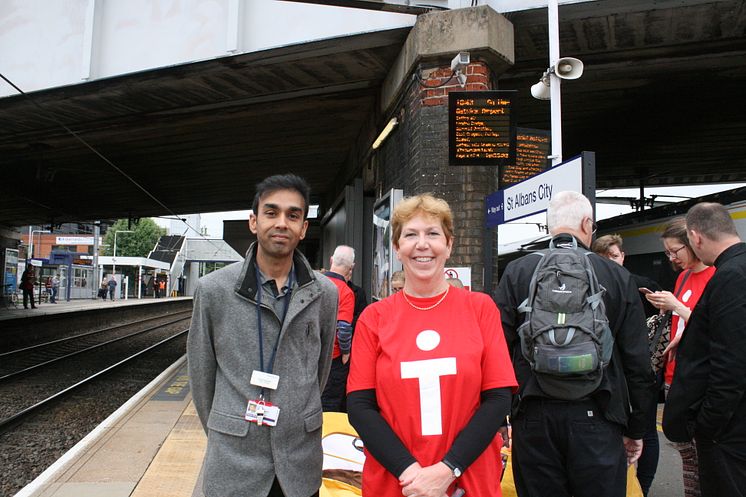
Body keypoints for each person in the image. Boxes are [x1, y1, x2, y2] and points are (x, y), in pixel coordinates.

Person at [347, 194, 516, 497]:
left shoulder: (480, 309)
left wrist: (447, 470)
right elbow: (360, 408)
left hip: (469, 481)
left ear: (449, 245)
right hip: (396, 483)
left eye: (433, 234)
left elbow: (498, 400)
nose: (422, 244)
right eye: (410, 235)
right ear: (397, 249)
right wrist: (411, 473)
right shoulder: (374, 318)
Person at [495, 191, 656, 497]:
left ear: (549, 225)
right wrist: (636, 428)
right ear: (587, 223)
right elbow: (638, 362)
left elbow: (497, 350)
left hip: (533, 417)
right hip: (598, 415)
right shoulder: (617, 275)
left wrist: (500, 418)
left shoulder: (518, 271)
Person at [188, 173, 338, 497]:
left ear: (303, 228)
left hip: (299, 464)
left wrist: (296, 411)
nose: (281, 223)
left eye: (293, 215)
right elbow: (201, 377)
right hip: (234, 465)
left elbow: (320, 371)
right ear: (254, 222)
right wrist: (228, 427)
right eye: (271, 213)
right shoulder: (214, 290)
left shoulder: (325, 294)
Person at [663, 202, 746, 497]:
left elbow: (731, 363)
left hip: (730, 433)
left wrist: (707, 425)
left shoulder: (730, 276)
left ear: (695, 237)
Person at [645, 217, 715, 497]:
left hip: (698, 377)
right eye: (668, 252)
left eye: (676, 251)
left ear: (693, 243)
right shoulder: (683, 276)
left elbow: (712, 326)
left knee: (703, 454)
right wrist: (666, 312)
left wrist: (677, 305)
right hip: (675, 372)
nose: (672, 258)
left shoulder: (716, 275)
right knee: (685, 452)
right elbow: (685, 324)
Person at [593, 233, 662, 495]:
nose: (611, 261)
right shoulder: (595, 286)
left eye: (614, 255)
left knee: (645, 431)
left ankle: (642, 486)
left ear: (623, 256)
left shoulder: (643, 285)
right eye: (605, 257)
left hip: (640, 369)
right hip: (613, 370)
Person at [321, 245, 356, 412]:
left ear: (331, 261)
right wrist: (346, 351)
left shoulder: (316, 283)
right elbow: (343, 328)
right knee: (329, 405)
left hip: (310, 353)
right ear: (351, 268)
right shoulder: (346, 292)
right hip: (333, 357)